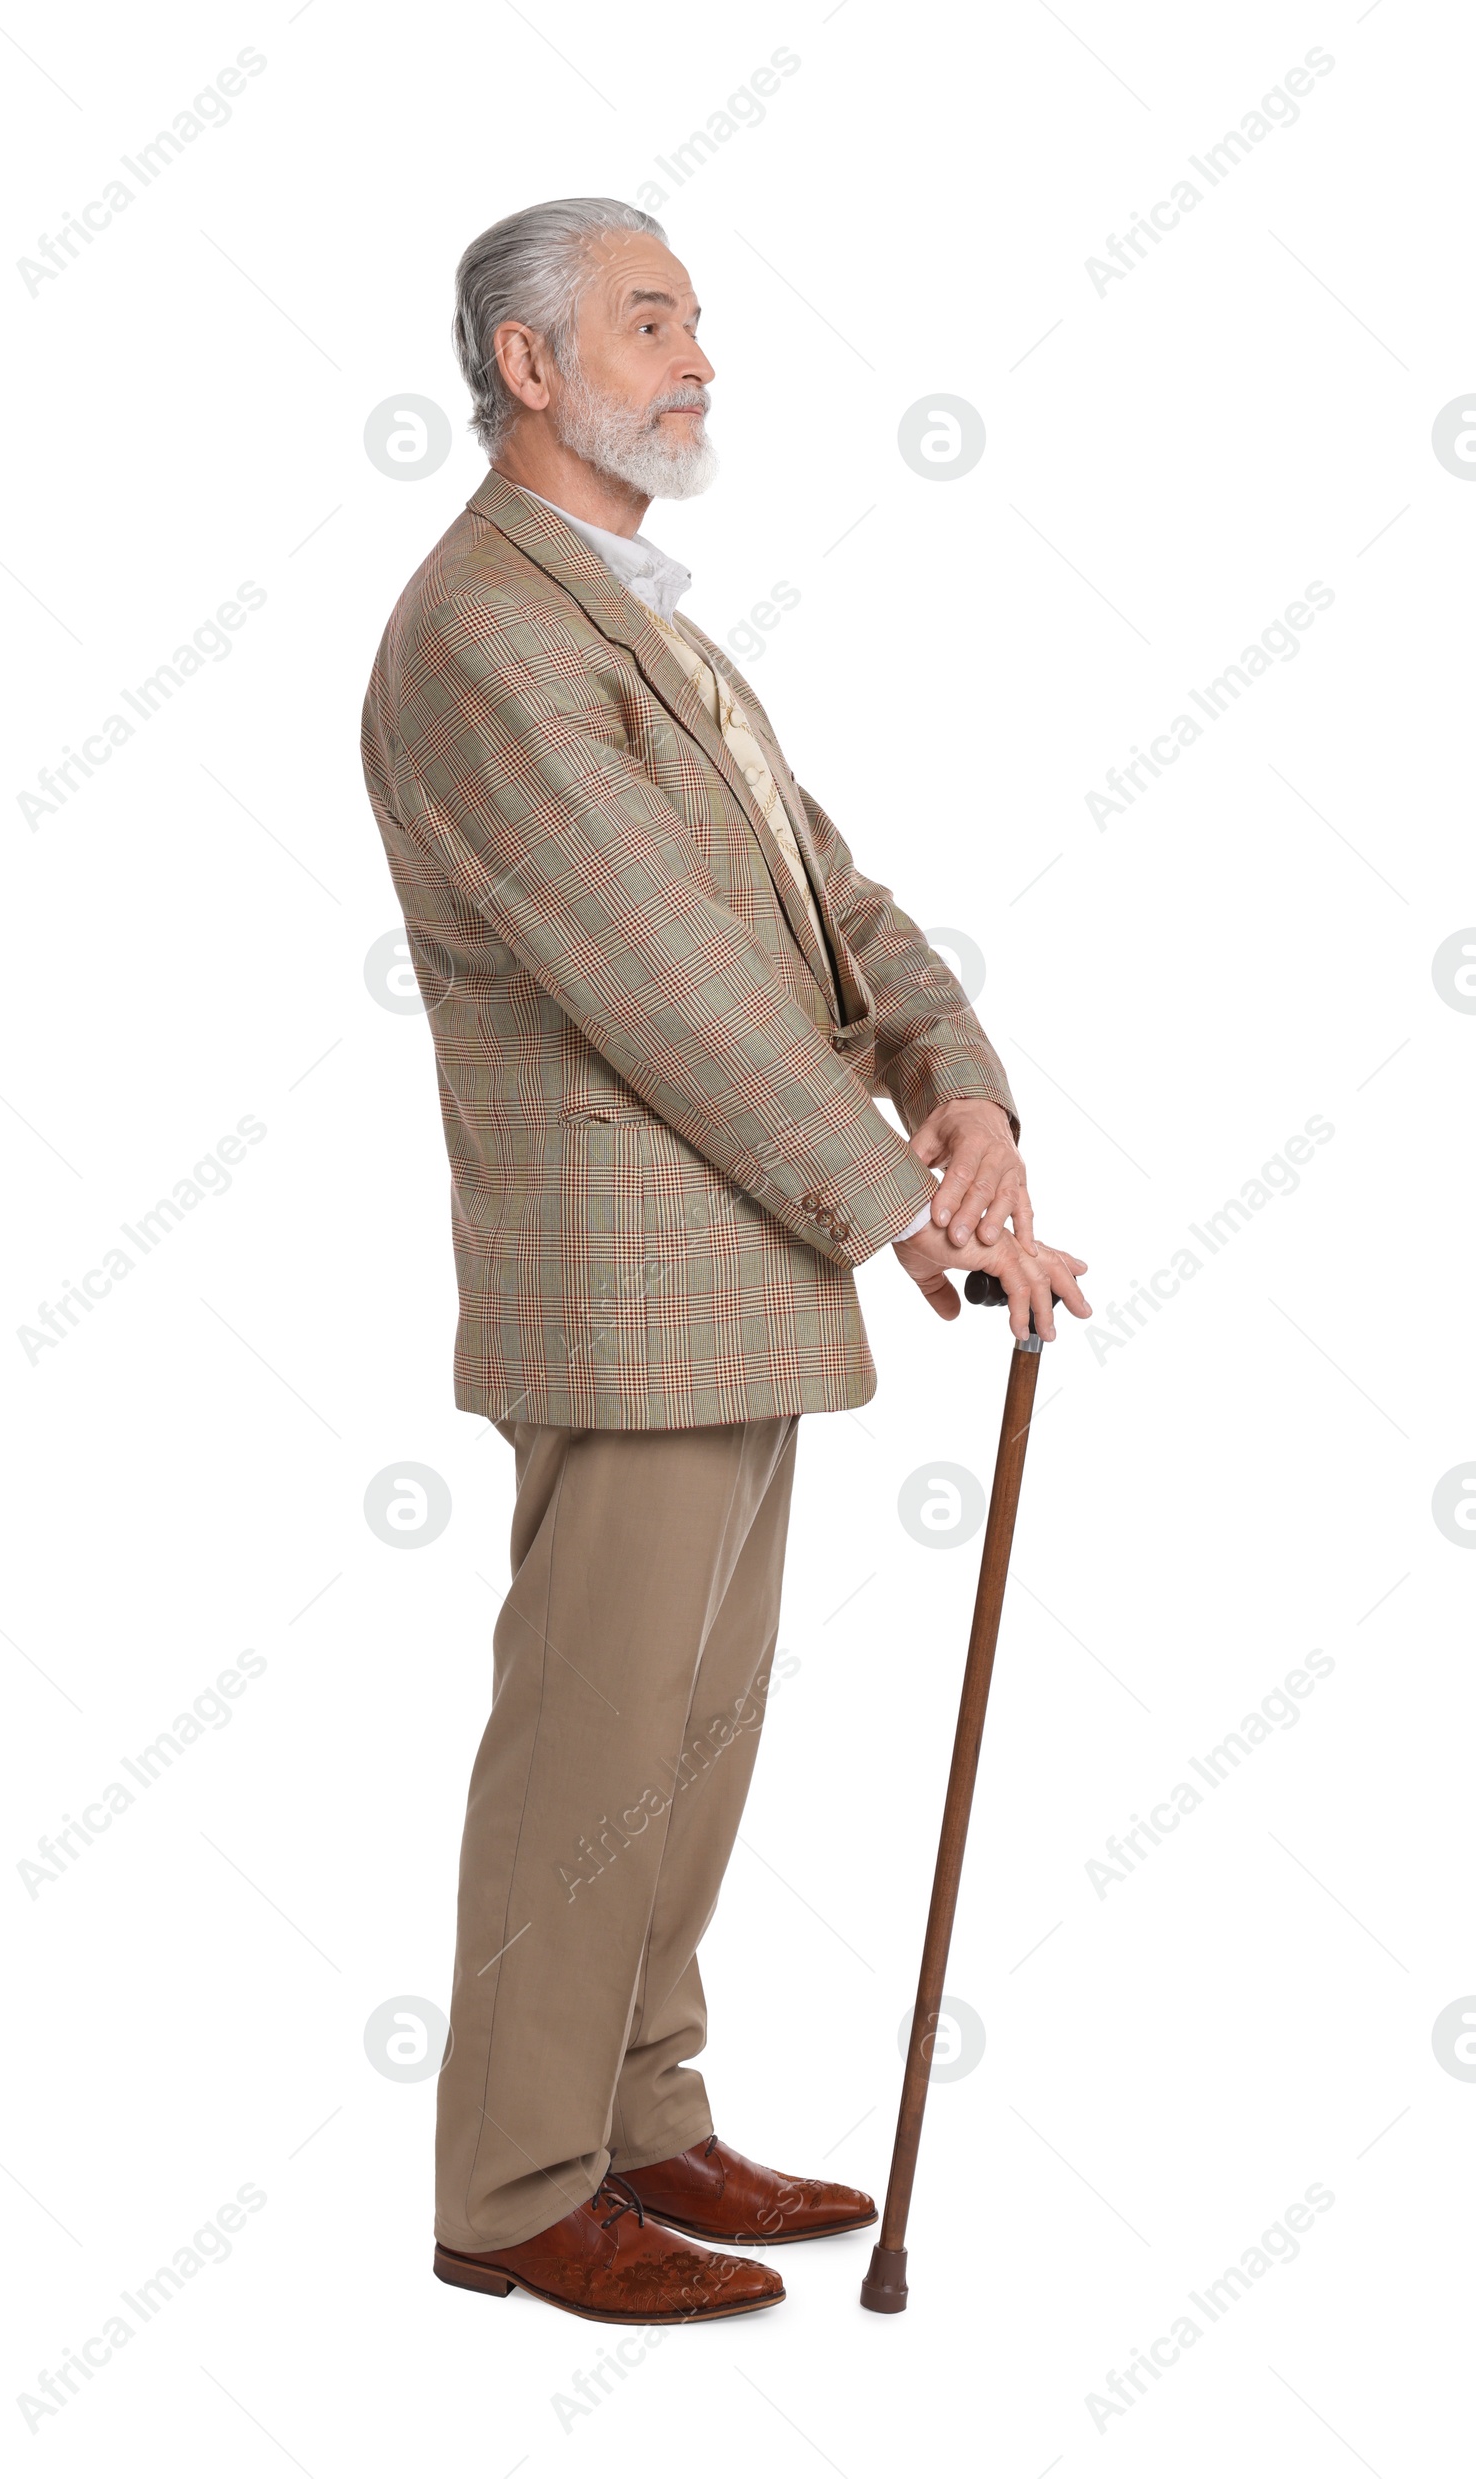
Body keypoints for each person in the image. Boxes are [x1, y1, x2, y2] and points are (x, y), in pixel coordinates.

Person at [360, 196, 1090, 2325]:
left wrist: (961, 1096)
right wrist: (916, 1219)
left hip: (740, 1278)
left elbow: (824, 909)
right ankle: (510, 2184)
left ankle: (637, 2112)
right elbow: (665, 980)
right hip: (620, 1278)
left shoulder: (646, 623)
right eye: (651, 321)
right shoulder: (484, 634)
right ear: (524, 364)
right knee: (594, 1736)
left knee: (690, 1734)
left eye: (693, 321)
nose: (697, 356)